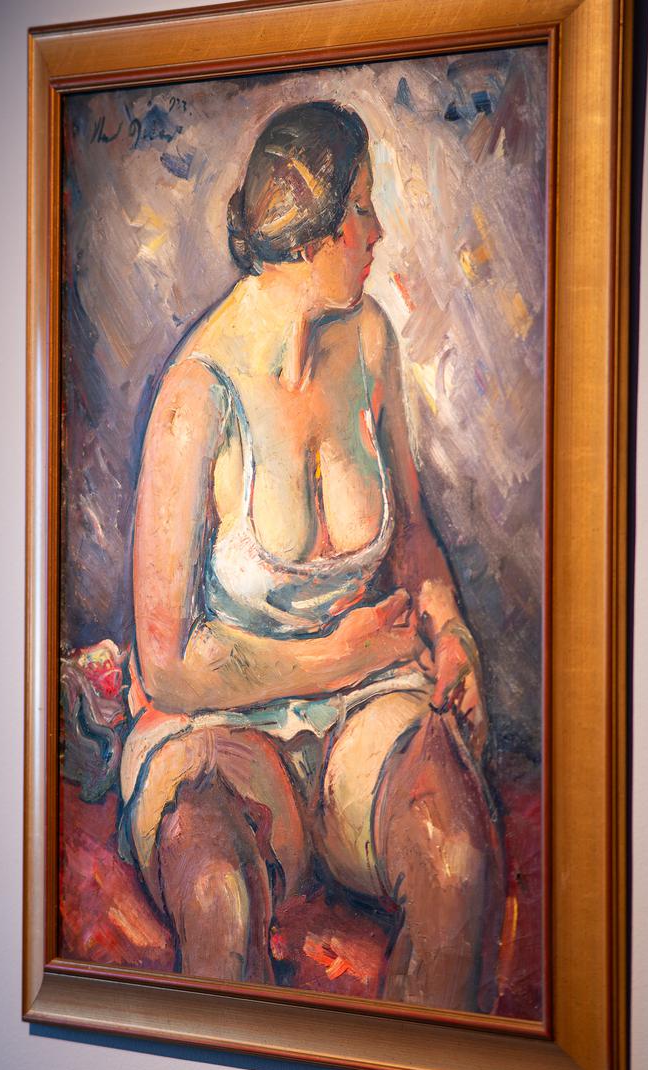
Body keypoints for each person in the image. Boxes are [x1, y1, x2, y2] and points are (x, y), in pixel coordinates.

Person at [122, 101, 501, 1010]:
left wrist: (448, 629)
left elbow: (411, 537)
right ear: (309, 231)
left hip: (364, 706)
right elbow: (166, 666)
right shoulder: (196, 394)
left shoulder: (367, 340)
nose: (375, 233)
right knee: (217, 900)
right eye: (360, 209)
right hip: (218, 722)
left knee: (455, 864)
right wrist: (344, 653)